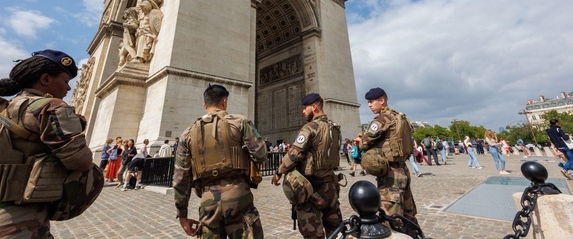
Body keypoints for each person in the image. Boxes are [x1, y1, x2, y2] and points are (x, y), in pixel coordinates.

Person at [0, 49, 100, 237]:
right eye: (65, 81)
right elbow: (81, 161)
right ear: (45, 79)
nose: (68, 89)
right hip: (20, 220)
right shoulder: (50, 108)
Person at [174, 84, 267, 238]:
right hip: (239, 194)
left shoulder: (187, 134)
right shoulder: (240, 122)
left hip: (208, 200)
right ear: (224, 102)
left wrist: (182, 214)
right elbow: (261, 154)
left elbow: (180, 178)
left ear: (205, 105)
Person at [271, 93, 343, 239]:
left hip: (312, 190)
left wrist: (279, 172)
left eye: (305, 108)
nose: (302, 112)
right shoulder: (334, 127)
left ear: (314, 107)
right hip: (331, 187)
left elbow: (294, 154)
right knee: (334, 230)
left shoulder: (310, 128)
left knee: (312, 235)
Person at [360, 87, 418, 223]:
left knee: (391, 218)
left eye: (371, 101)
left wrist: (361, 141)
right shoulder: (400, 118)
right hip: (403, 169)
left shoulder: (382, 119)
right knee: (408, 215)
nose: (369, 105)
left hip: (390, 174)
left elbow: (364, 143)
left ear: (382, 100)